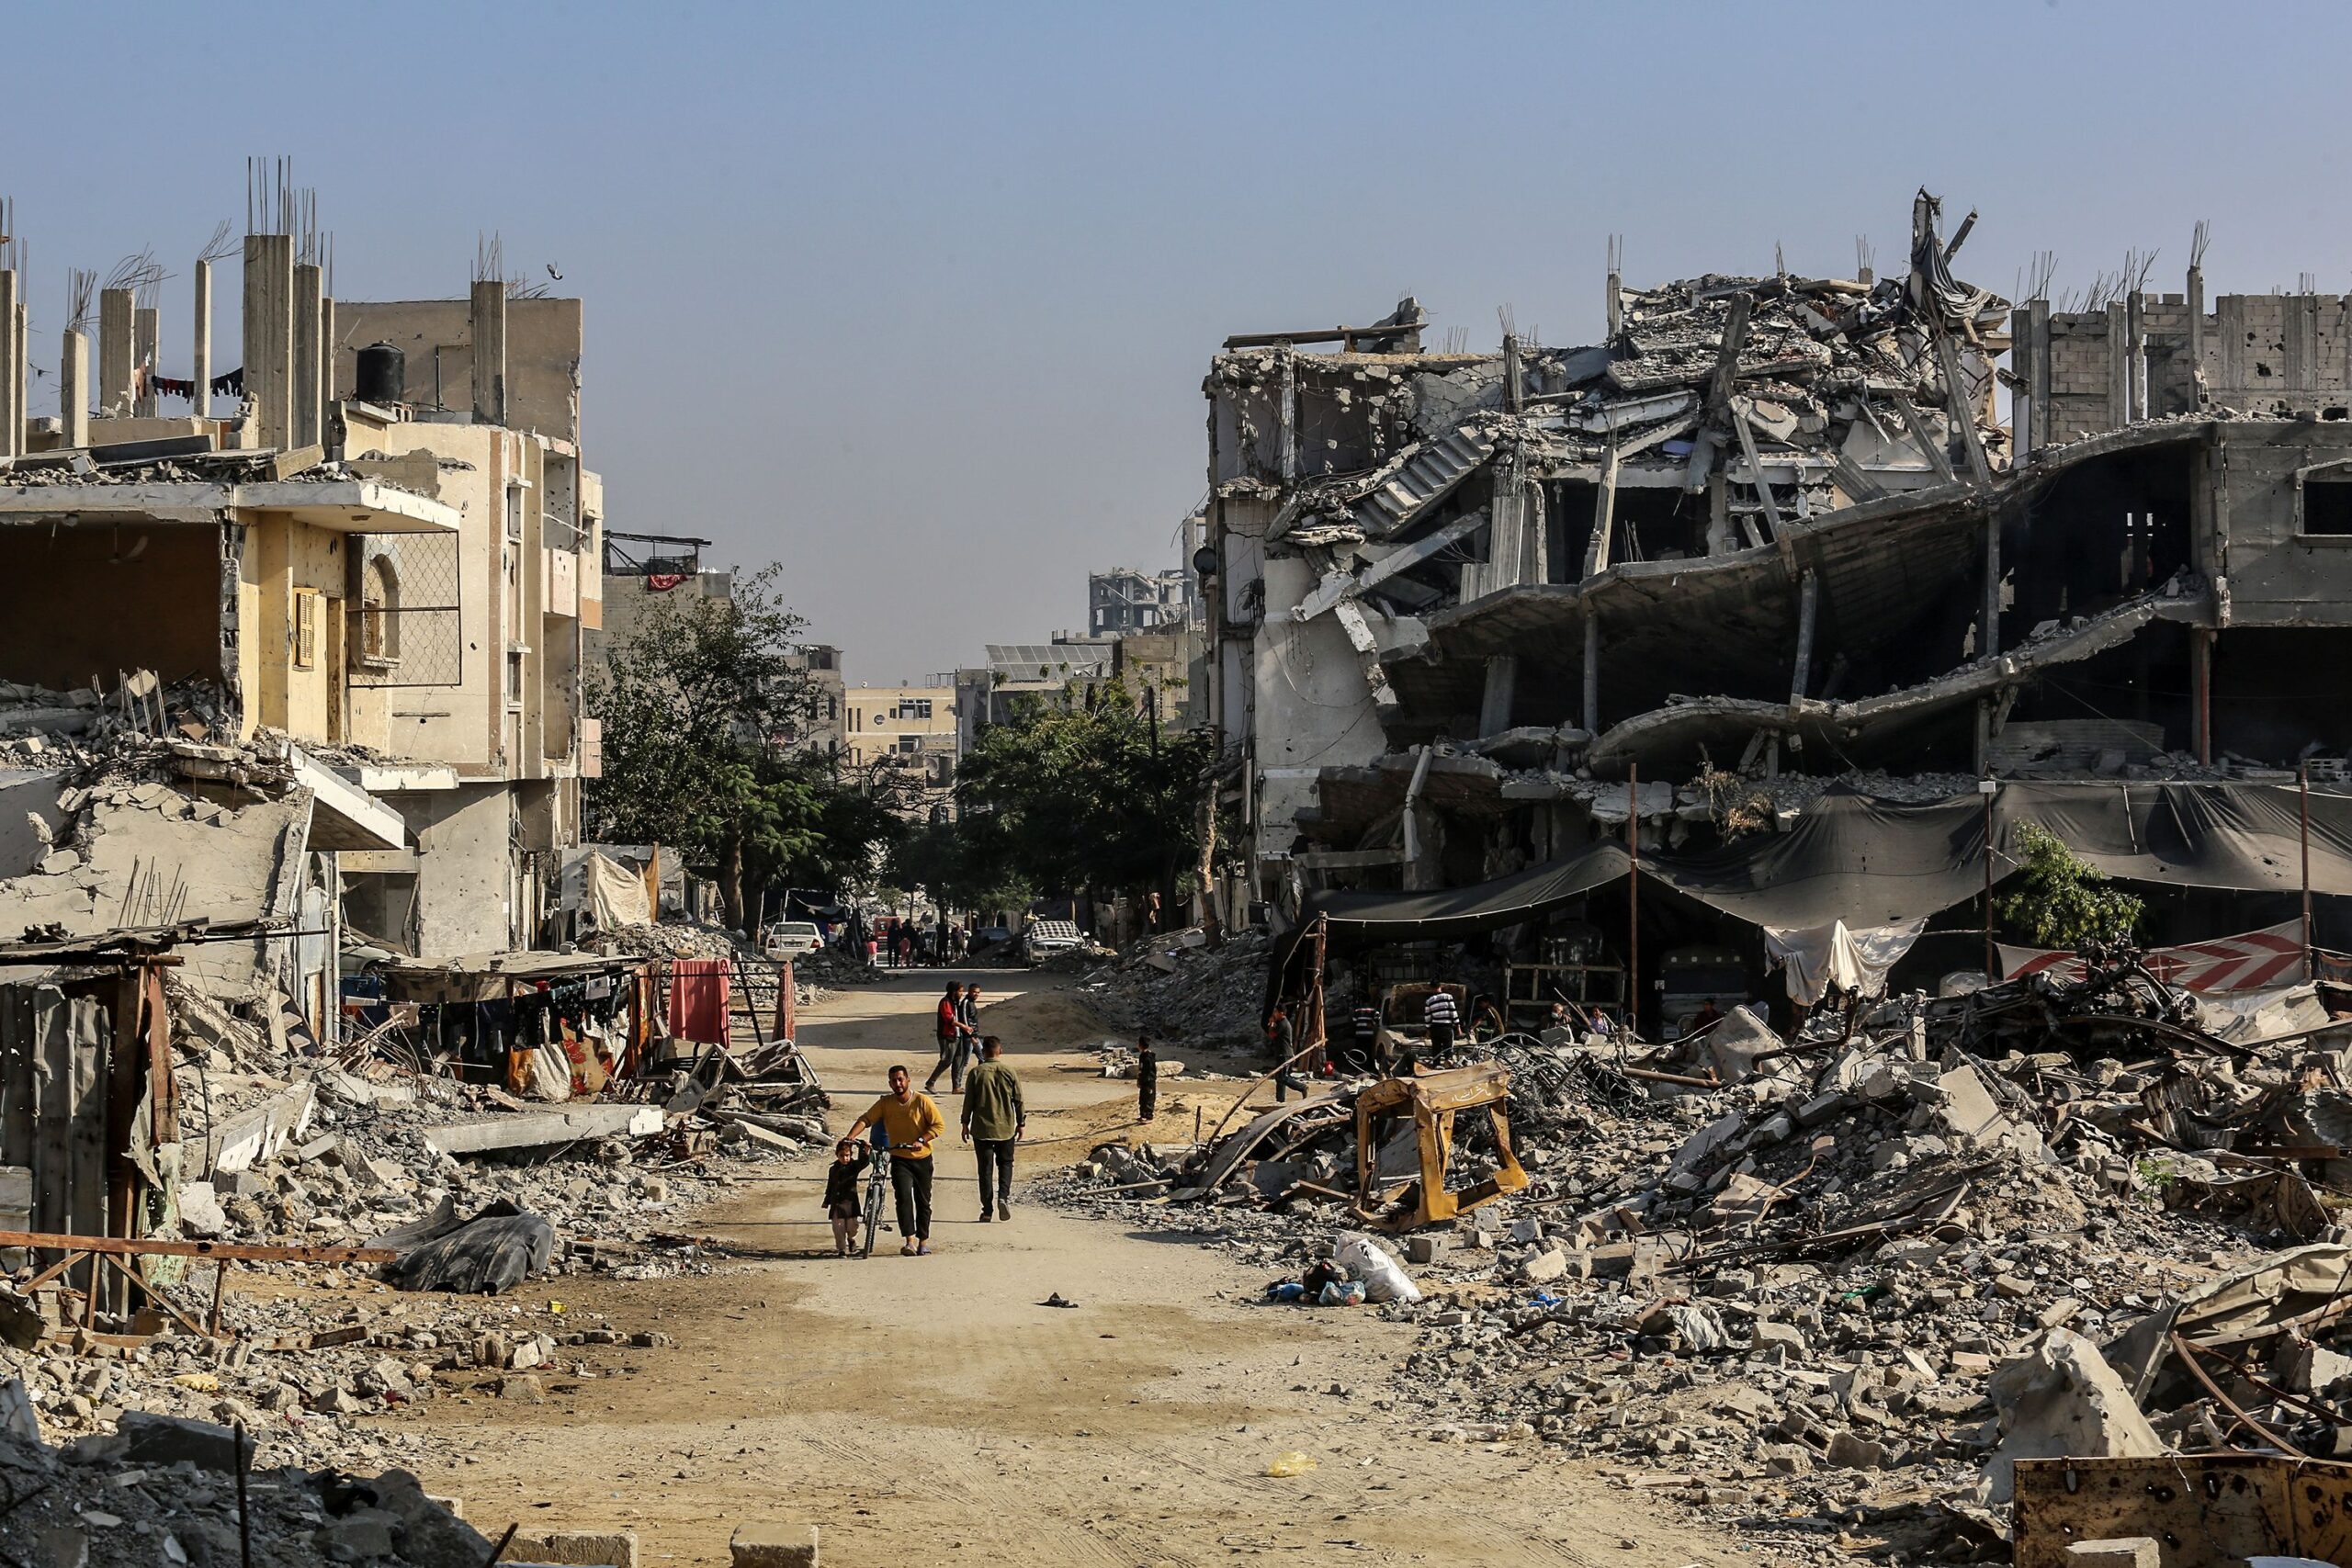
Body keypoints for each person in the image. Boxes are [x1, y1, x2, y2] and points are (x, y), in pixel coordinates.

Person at [846, 1066, 944, 1255]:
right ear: (889, 1083)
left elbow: (938, 1125)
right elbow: (866, 1119)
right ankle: (910, 1241)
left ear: (908, 1080)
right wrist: (850, 1136)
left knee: (923, 1201)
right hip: (899, 1158)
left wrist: (922, 1140)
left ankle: (923, 1241)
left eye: (900, 1079)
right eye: (893, 1080)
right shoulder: (885, 1103)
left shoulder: (922, 1101)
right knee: (904, 1198)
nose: (897, 1084)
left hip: (922, 1158)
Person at [959, 1035, 1024, 1222]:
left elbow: (968, 1101)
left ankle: (987, 1210)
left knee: (985, 1170)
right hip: (1005, 1129)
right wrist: (1021, 1123)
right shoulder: (1010, 1072)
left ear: (984, 1052)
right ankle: (1003, 1197)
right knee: (1005, 1164)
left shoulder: (976, 1073)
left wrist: (965, 1123)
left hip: (982, 1130)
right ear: (1000, 1051)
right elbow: (1018, 1100)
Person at [822, 1137, 865, 1257]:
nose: (845, 1158)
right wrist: (826, 1201)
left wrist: (863, 1148)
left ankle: (851, 1239)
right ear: (837, 1155)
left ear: (851, 1155)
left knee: (853, 1227)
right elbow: (830, 1185)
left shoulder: (854, 1166)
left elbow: (864, 1162)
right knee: (838, 1228)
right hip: (837, 1203)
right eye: (842, 1156)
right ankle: (841, 1249)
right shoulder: (833, 1169)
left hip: (851, 1203)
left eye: (847, 1155)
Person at [924, 980, 967, 1094]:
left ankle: (956, 1087)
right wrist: (964, 1026)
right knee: (947, 1061)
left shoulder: (955, 1003)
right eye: (960, 991)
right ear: (954, 991)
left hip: (957, 1035)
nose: (962, 994)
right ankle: (930, 1082)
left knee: (958, 1061)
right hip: (947, 1036)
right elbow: (949, 1019)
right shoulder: (945, 1002)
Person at [1266, 1004, 1308, 1103]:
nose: (1274, 1014)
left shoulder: (1283, 1024)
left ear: (1281, 1013)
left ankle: (1302, 1087)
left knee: (1282, 1077)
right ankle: (1280, 1100)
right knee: (1280, 1078)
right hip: (1283, 1053)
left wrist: (1271, 1023)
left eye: (1276, 1012)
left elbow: (1272, 1035)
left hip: (1284, 1054)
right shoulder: (1281, 1022)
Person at [1344, 993, 1381, 1077]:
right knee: (1368, 1051)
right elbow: (1376, 1021)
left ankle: (1358, 1068)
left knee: (1359, 1051)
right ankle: (1368, 1068)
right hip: (1369, 1035)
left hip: (1359, 1034)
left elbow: (1353, 1022)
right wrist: (1371, 1024)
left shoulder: (1357, 1011)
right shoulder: (1373, 1010)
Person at [1423, 986, 1461, 1055]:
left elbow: (1427, 1017)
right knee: (1448, 1049)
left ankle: (1436, 1064)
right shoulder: (1448, 997)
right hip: (1446, 1027)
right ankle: (1448, 1063)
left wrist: (1428, 1030)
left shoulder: (1429, 1001)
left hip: (1435, 1028)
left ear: (1431, 989)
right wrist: (1458, 1027)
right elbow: (1453, 1012)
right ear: (1441, 986)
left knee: (1436, 1049)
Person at [957, 984, 982, 1075]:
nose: (976, 994)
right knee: (965, 1061)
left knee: (983, 1058)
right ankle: (957, 1085)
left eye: (978, 992)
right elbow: (964, 1020)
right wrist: (971, 1036)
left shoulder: (972, 1003)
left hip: (974, 1036)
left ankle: (980, 1078)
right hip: (968, 1037)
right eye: (974, 992)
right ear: (969, 992)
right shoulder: (966, 1002)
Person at [1136, 1031, 1159, 1122]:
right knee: (1142, 1099)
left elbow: (1149, 1071)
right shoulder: (1143, 1056)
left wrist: (1145, 1079)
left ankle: (1148, 1116)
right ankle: (1143, 1115)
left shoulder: (1148, 1057)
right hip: (1144, 1081)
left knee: (1148, 1099)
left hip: (1149, 1081)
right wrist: (1139, 1080)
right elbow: (1141, 1069)